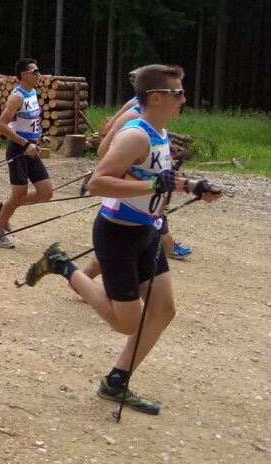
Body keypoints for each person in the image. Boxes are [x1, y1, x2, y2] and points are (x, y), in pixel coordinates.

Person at [21, 64, 222, 415]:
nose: (184, 99)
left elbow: (160, 176)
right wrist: (152, 186)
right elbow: (97, 183)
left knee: (163, 310)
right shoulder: (136, 135)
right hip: (117, 235)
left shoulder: (159, 132)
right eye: (178, 93)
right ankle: (61, 264)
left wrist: (193, 186)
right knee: (126, 322)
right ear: (157, 97)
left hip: (147, 231)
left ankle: (116, 381)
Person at [89, 68, 193, 261]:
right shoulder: (133, 113)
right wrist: (125, 169)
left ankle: (81, 274)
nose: (182, 99)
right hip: (127, 202)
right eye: (177, 93)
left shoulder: (156, 120)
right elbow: (104, 148)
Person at [0, 58, 53, 248]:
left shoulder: (32, 93)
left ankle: (2, 207)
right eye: (36, 71)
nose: (39, 74)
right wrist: (25, 144)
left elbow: (27, 122)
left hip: (30, 147)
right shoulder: (17, 96)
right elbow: (0, 126)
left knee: (46, 192)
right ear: (24, 75)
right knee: (19, 195)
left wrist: (40, 136)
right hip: (18, 149)